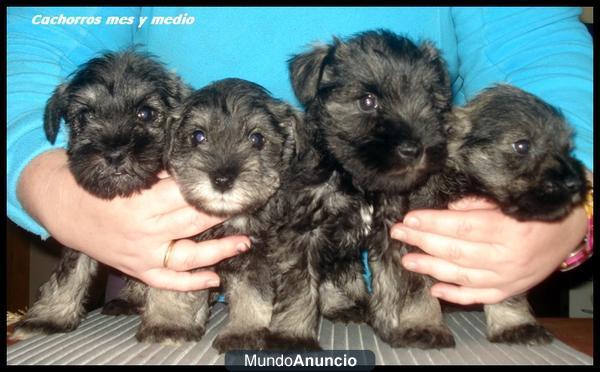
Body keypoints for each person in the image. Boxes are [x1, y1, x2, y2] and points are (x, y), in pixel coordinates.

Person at [7, 7, 593, 303]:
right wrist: (48, 183)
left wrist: (572, 196)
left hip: (445, 274)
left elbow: (535, 46)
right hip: (154, 255)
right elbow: (40, 36)